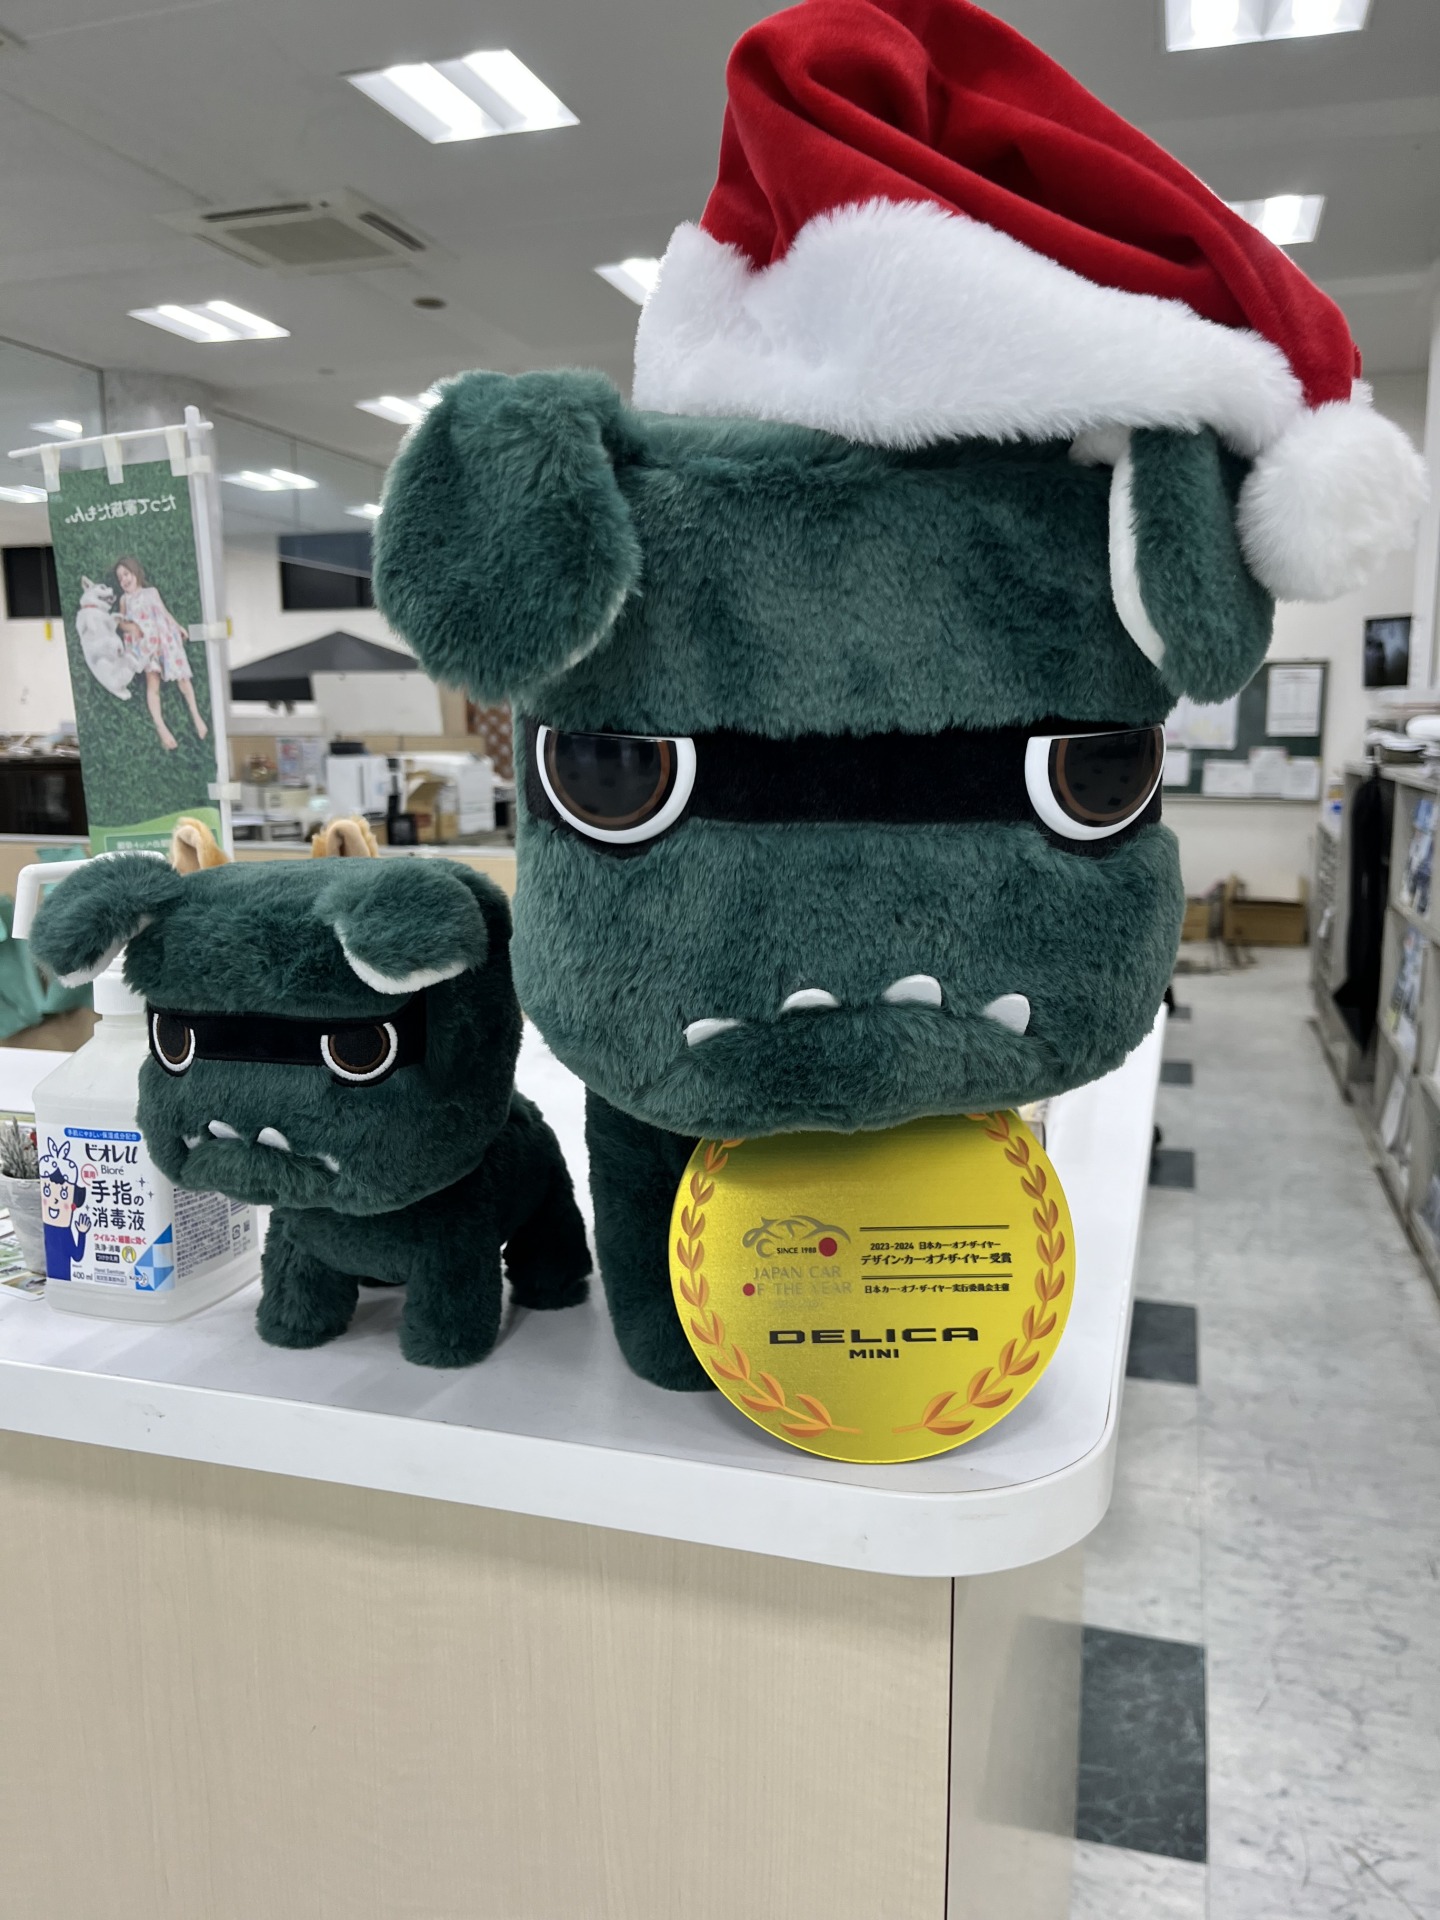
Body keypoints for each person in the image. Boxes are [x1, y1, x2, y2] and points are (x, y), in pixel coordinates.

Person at [113, 555, 207, 751]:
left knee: (183, 678)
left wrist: (178, 626)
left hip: (164, 639)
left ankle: (196, 715)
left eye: (126, 574)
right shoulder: (124, 599)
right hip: (145, 644)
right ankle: (161, 727)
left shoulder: (151, 592)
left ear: (135, 572)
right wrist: (130, 627)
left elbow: (164, 612)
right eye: (120, 578)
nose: (124, 580)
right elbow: (120, 623)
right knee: (153, 683)